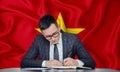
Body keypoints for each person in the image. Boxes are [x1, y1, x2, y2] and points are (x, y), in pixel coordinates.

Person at [21, 15, 95, 68]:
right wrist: (46, 63)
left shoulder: (73, 39)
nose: (53, 39)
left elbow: (91, 62)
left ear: (59, 27)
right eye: (48, 36)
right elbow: (24, 62)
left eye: (55, 34)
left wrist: (76, 62)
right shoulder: (39, 40)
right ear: (43, 34)